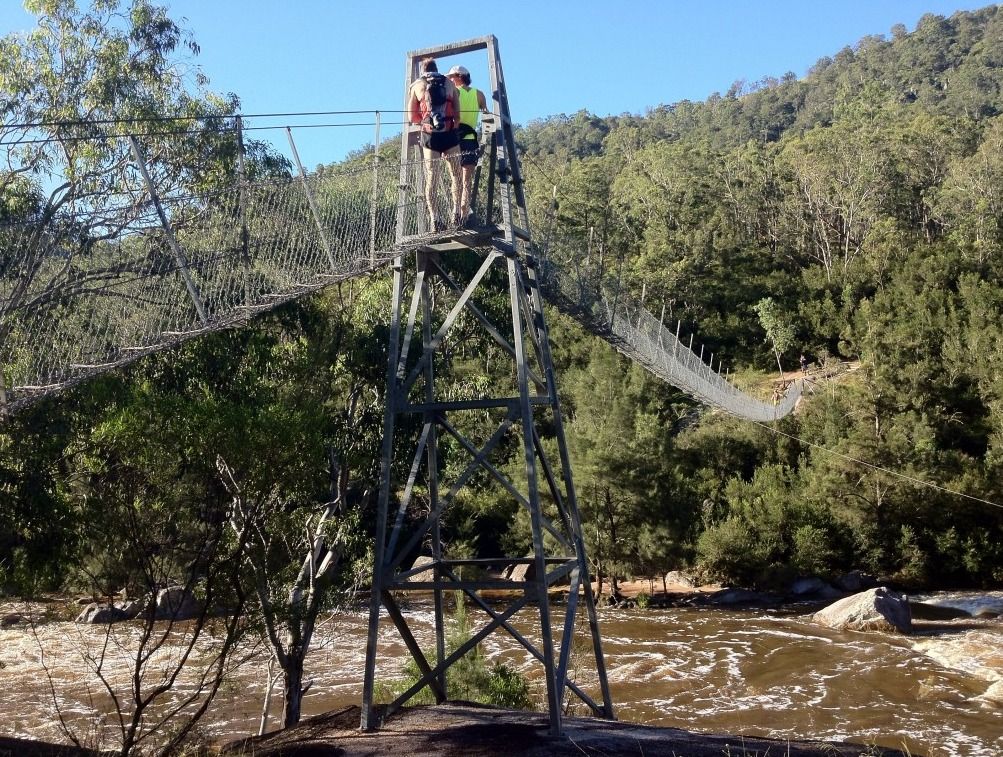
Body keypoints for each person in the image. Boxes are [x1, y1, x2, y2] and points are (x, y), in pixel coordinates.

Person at [408, 57, 462, 231]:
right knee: (456, 174)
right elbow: (458, 114)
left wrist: (425, 123)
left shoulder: (417, 86)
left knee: (432, 177)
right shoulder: (449, 83)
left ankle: (435, 219)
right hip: (449, 133)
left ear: (423, 70)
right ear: (437, 69)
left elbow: (412, 117)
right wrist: (451, 125)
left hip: (430, 136)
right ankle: (456, 214)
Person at [446, 65, 489, 226]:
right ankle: (463, 213)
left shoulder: (452, 93)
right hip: (470, 138)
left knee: (455, 178)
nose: (449, 80)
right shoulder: (479, 94)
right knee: (466, 180)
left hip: (454, 139)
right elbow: (487, 115)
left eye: (451, 77)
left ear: (458, 76)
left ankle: (457, 211)